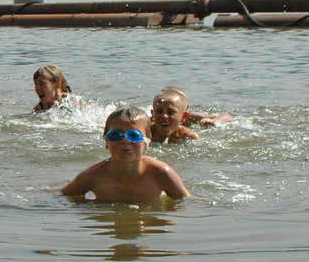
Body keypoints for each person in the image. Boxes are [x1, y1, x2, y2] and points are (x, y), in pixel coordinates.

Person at [61, 106, 191, 202]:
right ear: (106, 142)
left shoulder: (161, 174)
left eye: (134, 136)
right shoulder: (93, 176)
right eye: (115, 135)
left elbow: (188, 203)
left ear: (147, 142)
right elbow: (63, 198)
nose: (124, 141)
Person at [150, 86, 232, 143]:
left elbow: (227, 116)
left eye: (171, 112)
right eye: (160, 111)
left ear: (184, 115)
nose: (164, 116)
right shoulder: (149, 124)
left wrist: (213, 121)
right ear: (153, 113)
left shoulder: (191, 120)